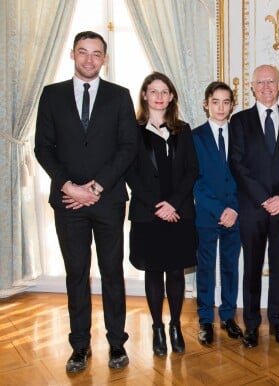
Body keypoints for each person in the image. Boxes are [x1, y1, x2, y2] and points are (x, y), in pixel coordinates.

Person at [35, 31, 138, 372]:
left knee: (112, 274)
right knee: (76, 274)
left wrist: (93, 190)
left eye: (97, 54)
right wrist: (69, 187)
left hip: (108, 202)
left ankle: (116, 344)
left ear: (104, 59)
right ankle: (79, 347)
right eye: (83, 52)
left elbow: (128, 148)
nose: (90, 59)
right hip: (67, 203)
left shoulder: (120, 96)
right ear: (72, 54)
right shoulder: (51, 95)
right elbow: (42, 148)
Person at [229, 64, 279, 348]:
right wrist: (265, 198)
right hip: (252, 208)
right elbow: (237, 164)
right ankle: (251, 325)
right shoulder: (239, 121)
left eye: (270, 82)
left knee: (278, 267)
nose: (265, 87)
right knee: (251, 267)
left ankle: (278, 322)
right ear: (252, 87)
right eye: (260, 83)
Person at [126, 72, 198, 356]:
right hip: (148, 213)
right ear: (144, 95)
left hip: (180, 213)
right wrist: (159, 205)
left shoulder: (183, 129)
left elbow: (192, 170)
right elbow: (130, 172)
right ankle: (157, 327)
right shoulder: (131, 130)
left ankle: (176, 326)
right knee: (154, 271)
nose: (158, 96)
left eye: (164, 91)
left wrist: (174, 204)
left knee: (176, 271)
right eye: (153, 90)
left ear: (171, 97)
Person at [192, 81, 243, 345]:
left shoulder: (241, 134)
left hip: (235, 214)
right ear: (206, 104)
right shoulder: (194, 137)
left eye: (226, 102)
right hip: (207, 215)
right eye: (215, 102)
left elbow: (246, 176)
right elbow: (194, 181)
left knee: (230, 267)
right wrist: (218, 208)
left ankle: (227, 316)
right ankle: (204, 319)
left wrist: (234, 208)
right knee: (206, 267)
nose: (220, 107)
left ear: (232, 105)